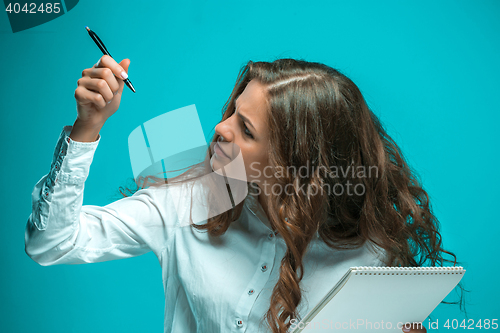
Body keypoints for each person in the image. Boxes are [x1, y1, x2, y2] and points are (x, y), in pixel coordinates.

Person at [24, 55, 459, 333]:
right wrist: (87, 128)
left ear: (296, 164)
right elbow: (52, 243)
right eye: (233, 110)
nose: (220, 127)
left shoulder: (369, 256)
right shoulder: (190, 202)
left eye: (245, 129)